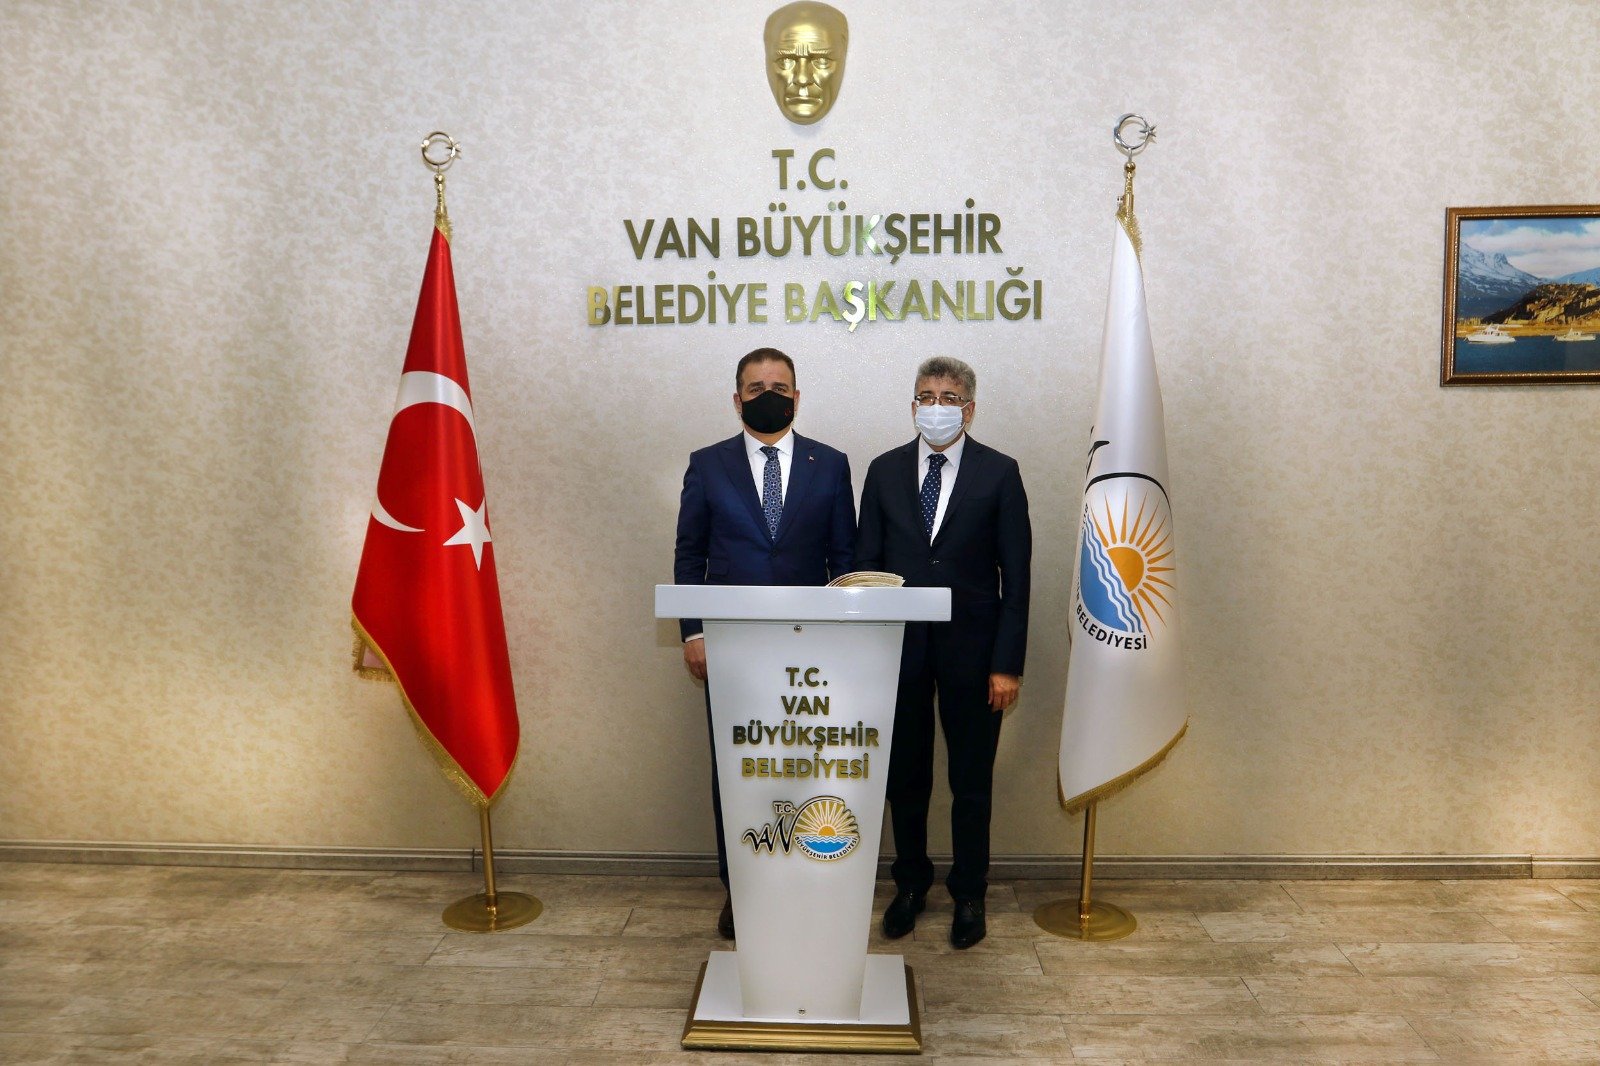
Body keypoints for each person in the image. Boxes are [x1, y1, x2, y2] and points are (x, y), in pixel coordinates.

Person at [674, 347, 857, 938]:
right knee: (737, 771)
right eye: (755, 389)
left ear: (797, 397)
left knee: (808, 766)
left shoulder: (831, 465)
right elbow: (689, 556)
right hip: (733, 646)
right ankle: (742, 889)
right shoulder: (707, 465)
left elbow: (844, 561)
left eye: (779, 387)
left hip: (812, 650)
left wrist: (846, 641)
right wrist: (693, 631)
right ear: (737, 400)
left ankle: (805, 880)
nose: (768, 396)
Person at [855, 355, 1031, 949]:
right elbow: (865, 568)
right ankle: (910, 886)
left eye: (949, 398)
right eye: (926, 396)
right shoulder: (883, 471)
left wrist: (1007, 664)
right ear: (913, 405)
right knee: (905, 780)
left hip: (975, 657)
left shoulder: (1000, 473)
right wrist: (868, 655)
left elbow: (1017, 578)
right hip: (899, 653)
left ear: (970, 409)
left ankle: (969, 893)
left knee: (971, 783)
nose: (937, 407)